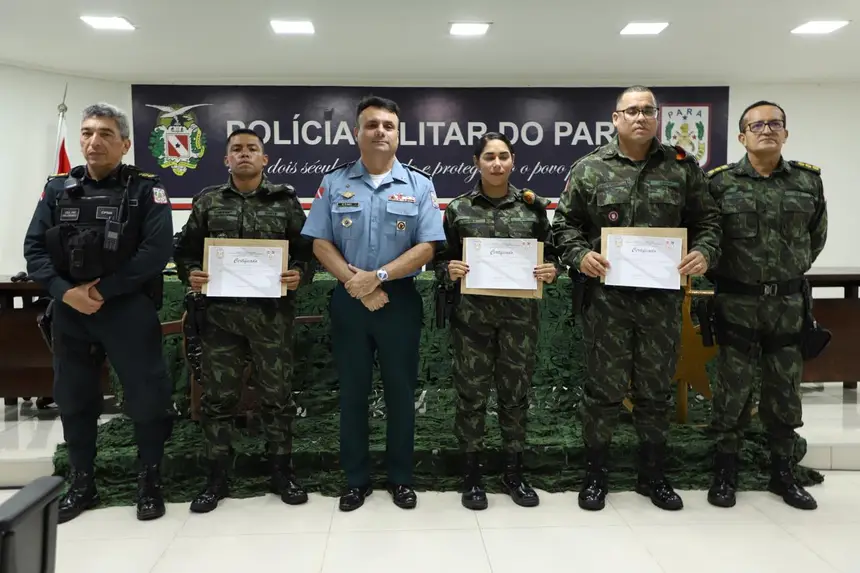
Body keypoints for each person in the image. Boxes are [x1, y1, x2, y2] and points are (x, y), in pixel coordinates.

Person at [551, 85, 722, 512]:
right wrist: (580, 255)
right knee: (602, 392)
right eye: (632, 111)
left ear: (658, 116)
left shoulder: (682, 169)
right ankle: (595, 475)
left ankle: (654, 476)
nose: (641, 117)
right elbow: (563, 226)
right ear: (615, 118)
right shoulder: (590, 169)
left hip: (660, 303)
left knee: (655, 392)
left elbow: (709, 222)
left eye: (648, 110)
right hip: (606, 302)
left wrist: (704, 252)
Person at [22, 102, 175, 523]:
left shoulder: (147, 188)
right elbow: (35, 249)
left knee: (146, 398)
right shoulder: (57, 190)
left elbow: (155, 252)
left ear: (125, 144)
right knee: (74, 399)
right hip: (70, 310)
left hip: (126, 308)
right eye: (88, 133)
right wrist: (63, 292)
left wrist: (104, 290)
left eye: (106, 134)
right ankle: (82, 483)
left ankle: (149, 482)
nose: (94, 141)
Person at [301, 95, 446, 512]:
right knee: (353, 394)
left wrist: (379, 277)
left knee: (401, 393)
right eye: (371, 125)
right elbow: (320, 242)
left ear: (398, 135)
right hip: (349, 298)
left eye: (388, 126)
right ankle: (355, 480)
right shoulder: (334, 183)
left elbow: (428, 247)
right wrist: (357, 282)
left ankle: (401, 478)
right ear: (356, 132)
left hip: (398, 299)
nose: (380, 131)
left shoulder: (420, 184)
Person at [173, 128, 315, 513]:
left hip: (271, 318)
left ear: (265, 159)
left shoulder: (285, 201)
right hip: (221, 319)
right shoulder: (208, 202)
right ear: (227, 160)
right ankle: (216, 477)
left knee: (278, 398)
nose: (245, 154)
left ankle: (281, 473)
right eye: (237, 149)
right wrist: (191, 274)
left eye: (252, 148)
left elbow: (307, 252)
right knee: (218, 400)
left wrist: (299, 273)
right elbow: (184, 252)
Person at [704, 101, 827, 510]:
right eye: (757, 125)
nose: (767, 130)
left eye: (775, 124)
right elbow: (708, 237)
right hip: (736, 301)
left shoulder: (808, 183)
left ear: (786, 134)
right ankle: (725, 472)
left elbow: (816, 235)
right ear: (742, 137)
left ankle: (783, 473)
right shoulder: (719, 184)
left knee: (784, 391)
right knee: (731, 389)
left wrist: (785, 274)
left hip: (788, 303)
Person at [434, 132, 561, 510]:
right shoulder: (458, 209)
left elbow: (553, 254)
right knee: (471, 397)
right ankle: (472, 477)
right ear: (477, 162)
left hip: (520, 320)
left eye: (504, 156)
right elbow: (438, 258)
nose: (497, 163)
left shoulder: (532, 209)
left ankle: (513, 472)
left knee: (515, 397)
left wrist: (550, 270)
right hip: (471, 321)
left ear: (513, 161)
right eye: (489, 157)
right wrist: (448, 269)